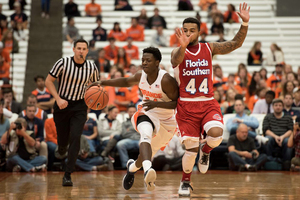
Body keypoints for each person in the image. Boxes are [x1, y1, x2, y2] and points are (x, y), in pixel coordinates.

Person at [170, 3, 250, 196]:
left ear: (199, 32)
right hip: (186, 107)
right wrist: (181, 46)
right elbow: (175, 61)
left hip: (207, 103)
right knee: (189, 150)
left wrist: (245, 24)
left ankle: (205, 151)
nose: (188, 33)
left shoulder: (209, 48)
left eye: (192, 31)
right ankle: (185, 182)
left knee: (216, 134)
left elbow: (235, 44)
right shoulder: (177, 51)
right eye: (185, 30)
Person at [93, 47, 179, 191]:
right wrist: (103, 83)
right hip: (147, 112)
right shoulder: (141, 76)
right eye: (143, 60)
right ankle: (147, 169)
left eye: (148, 60)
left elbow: (177, 103)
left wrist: (157, 103)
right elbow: (126, 81)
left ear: (157, 63)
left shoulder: (166, 80)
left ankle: (132, 168)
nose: (144, 63)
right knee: (145, 134)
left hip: (167, 120)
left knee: (145, 155)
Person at [45, 39, 100, 186]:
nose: (81, 51)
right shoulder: (62, 63)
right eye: (79, 48)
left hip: (80, 106)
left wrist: (90, 103)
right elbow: (48, 81)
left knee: (76, 137)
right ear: (73, 49)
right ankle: (62, 147)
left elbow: (95, 86)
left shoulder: (91, 67)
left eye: (84, 49)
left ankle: (68, 174)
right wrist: (57, 99)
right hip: (62, 104)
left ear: (87, 51)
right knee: (63, 139)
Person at [263, 98, 293, 170]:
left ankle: (286, 162)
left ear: (283, 107)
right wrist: (276, 137)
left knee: (287, 141)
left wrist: (282, 137)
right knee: (267, 139)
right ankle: (269, 160)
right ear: (273, 107)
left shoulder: (288, 117)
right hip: (272, 136)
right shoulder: (268, 117)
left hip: (285, 136)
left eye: (280, 105)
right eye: (276, 105)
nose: (278, 107)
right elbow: (266, 130)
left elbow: (291, 130)